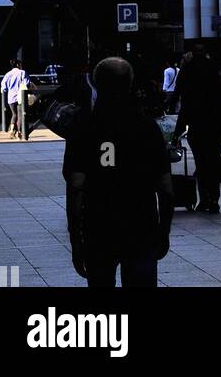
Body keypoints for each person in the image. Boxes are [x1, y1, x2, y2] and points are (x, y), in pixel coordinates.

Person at [62, 57, 173, 288]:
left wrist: (76, 237)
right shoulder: (147, 127)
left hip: (99, 225)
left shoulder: (84, 126)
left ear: (96, 84)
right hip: (141, 224)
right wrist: (164, 231)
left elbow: (75, 185)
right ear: (130, 84)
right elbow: (165, 186)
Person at [172, 48, 221, 214]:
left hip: (197, 129)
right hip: (216, 129)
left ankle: (204, 198)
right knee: (213, 162)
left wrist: (177, 132)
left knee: (201, 163)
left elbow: (184, 107)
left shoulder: (191, 83)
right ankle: (214, 198)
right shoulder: (216, 83)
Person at [1, 58, 29, 140]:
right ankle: (20, 133)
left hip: (11, 98)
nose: (21, 66)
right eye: (20, 64)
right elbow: (26, 84)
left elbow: (4, 87)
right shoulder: (22, 72)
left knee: (14, 114)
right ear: (17, 64)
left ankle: (12, 131)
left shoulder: (7, 74)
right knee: (20, 115)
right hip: (21, 96)